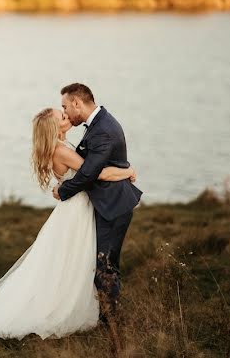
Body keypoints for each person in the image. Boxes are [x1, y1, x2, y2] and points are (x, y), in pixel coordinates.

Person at [0, 106, 136, 339]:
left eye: (65, 113)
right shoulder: (61, 151)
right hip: (77, 210)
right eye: (62, 117)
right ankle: (58, 308)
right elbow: (96, 174)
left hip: (76, 207)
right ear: (54, 127)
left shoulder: (63, 146)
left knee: (71, 259)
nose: (67, 117)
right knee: (71, 260)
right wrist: (126, 171)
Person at [53, 82, 142, 336]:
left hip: (113, 206)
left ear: (77, 103)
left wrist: (62, 192)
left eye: (65, 106)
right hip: (107, 203)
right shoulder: (100, 122)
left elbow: (90, 173)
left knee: (105, 266)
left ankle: (112, 324)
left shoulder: (102, 129)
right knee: (104, 264)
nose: (66, 112)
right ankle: (108, 319)